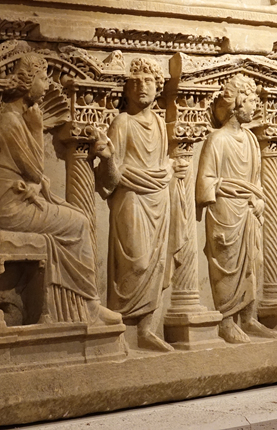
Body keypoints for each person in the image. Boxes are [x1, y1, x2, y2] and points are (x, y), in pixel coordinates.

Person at [0, 54, 121, 326]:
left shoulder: (17, 118)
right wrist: (37, 129)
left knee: (75, 216)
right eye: (42, 79)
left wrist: (38, 183)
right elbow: (35, 169)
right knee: (79, 223)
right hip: (11, 207)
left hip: (21, 201)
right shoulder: (11, 120)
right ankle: (89, 304)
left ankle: (80, 304)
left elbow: (35, 176)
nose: (47, 86)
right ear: (27, 82)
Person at [93, 57, 175, 351]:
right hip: (130, 198)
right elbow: (111, 177)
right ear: (126, 89)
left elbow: (163, 162)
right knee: (135, 263)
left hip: (158, 199)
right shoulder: (122, 122)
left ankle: (145, 329)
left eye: (149, 81)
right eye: (136, 82)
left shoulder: (160, 124)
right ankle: (121, 330)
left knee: (157, 263)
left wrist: (168, 170)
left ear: (158, 87)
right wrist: (106, 159)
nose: (143, 86)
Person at [195, 75, 277, 343]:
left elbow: (256, 181)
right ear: (238, 102)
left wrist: (260, 199)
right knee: (227, 263)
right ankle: (226, 321)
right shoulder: (217, 139)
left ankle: (249, 318)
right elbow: (205, 182)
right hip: (226, 211)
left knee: (254, 262)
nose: (256, 107)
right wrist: (230, 189)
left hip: (249, 211)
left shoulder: (252, 140)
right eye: (252, 101)